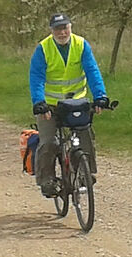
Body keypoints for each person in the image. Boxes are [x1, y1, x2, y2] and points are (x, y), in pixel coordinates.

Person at [29, 12, 109, 198]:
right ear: (52, 31)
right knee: (49, 142)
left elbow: (92, 71)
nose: (62, 32)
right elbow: (37, 78)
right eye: (58, 29)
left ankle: (87, 173)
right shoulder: (43, 48)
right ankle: (46, 180)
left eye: (65, 28)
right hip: (50, 106)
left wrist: (100, 96)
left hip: (77, 103)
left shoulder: (81, 45)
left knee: (85, 137)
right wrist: (39, 102)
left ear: (70, 27)